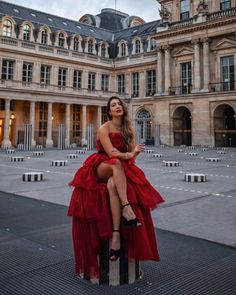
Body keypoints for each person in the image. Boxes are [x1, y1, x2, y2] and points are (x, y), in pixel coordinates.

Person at [68, 96, 165, 281]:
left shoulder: (129, 129)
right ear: (109, 111)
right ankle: (127, 208)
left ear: (123, 108)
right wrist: (129, 154)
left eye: (119, 104)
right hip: (102, 166)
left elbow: (130, 157)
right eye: (113, 105)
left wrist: (133, 154)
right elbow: (111, 153)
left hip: (119, 167)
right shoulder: (104, 128)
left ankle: (115, 235)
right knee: (116, 165)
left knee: (113, 183)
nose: (117, 106)